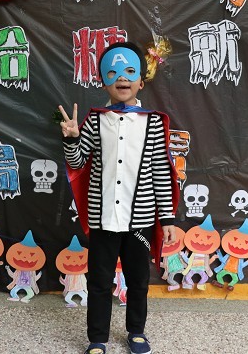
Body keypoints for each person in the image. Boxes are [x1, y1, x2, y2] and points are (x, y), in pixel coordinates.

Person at [59, 42, 178, 354]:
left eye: (129, 72)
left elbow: (161, 172)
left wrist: (167, 218)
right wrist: (70, 139)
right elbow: (77, 163)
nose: (122, 78)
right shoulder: (95, 120)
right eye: (113, 72)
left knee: (138, 280)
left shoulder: (153, 122)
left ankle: (136, 332)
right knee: (99, 281)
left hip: (140, 220)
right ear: (103, 82)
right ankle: (97, 338)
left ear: (141, 81)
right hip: (103, 219)